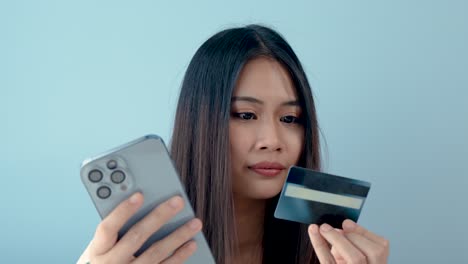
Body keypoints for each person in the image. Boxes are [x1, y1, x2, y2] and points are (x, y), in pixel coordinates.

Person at [77, 24, 389, 264]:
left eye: (291, 118)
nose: (272, 141)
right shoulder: (131, 254)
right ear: (202, 124)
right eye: (245, 114)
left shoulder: (332, 254)